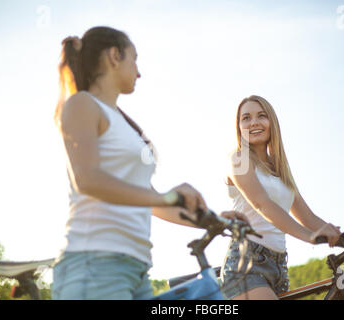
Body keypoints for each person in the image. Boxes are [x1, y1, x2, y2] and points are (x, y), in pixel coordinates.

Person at [51, 26, 243, 300]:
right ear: (114, 56)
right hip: (95, 266)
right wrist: (171, 197)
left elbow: (152, 200)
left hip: (136, 269)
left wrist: (214, 217)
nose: (139, 72)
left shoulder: (124, 122)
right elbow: (88, 179)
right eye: (135, 59)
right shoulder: (83, 104)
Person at [220, 95, 344, 300]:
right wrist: (308, 237)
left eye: (261, 116)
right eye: (246, 118)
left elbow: (308, 217)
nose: (254, 122)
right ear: (239, 126)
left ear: (272, 122)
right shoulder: (238, 158)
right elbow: (262, 204)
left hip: (279, 266)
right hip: (245, 265)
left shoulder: (279, 170)